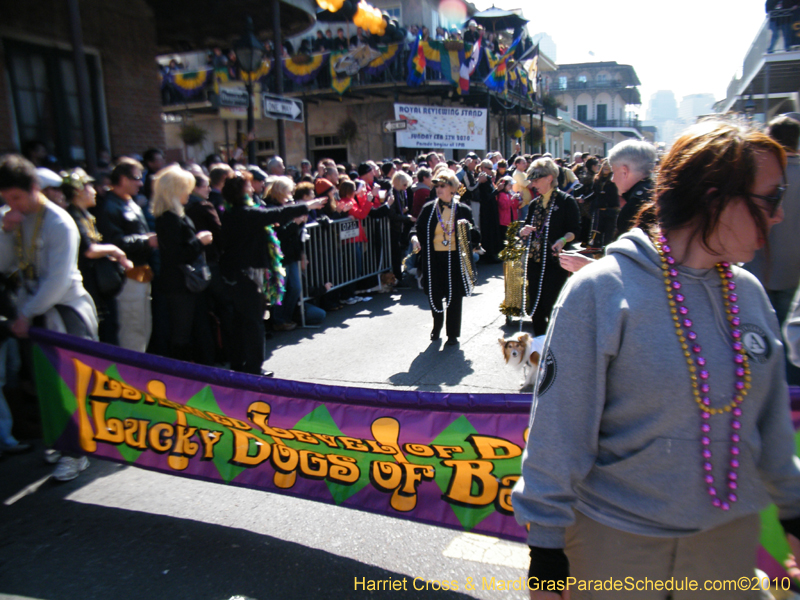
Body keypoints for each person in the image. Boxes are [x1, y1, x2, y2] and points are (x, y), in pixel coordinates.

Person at [512, 118, 800, 600]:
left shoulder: (749, 296)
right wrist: (545, 557)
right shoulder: (601, 290)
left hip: (726, 552)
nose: (779, 216)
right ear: (716, 200)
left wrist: (795, 513)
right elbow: (558, 434)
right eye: (769, 199)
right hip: (615, 549)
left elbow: (770, 426)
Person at [0, 154, 99, 481]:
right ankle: (59, 439)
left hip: (65, 312)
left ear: (33, 188)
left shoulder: (59, 221)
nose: (11, 204)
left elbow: (58, 280)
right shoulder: (12, 219)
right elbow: (4, 266)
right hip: (31, 313)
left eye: (15, 197)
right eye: (5, 199)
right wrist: (5, 231)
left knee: (71, 383)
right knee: (44, 384)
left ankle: (77, 451)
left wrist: (26, 314)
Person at [219, 172, 325, 376]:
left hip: (236, 273)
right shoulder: (244, 213)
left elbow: (268, 219)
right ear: (242, 190)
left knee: (241, 322)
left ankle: (239, 365)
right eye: (248, 186)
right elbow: (273, 213)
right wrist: (308, 205)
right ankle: (253, 368)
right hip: (246, 275)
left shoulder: (232, 213)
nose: (252, 188)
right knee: (252, 322)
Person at [745, 114, 800, 385]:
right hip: (793, 270)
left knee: (759, 334)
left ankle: (763, 383)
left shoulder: (757, 173)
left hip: (757, 264)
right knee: (792, 335)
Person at [62, 168, 133, 346]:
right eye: (89, 187)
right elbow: (89, 250)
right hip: (89, 284)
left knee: (111, 329)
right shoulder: (72, 215)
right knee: (101, 334)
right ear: (78, 191)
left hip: (101, 286)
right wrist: (116, 251)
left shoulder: (87, 215)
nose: (94, 191)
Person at [152, 165, 214, 363]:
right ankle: (182, 376)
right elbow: (177, 254)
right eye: (186, 187)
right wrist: (199, 241)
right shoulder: (168, 218)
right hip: (179, 284)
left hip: (185, 282)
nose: (189, 191)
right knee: (182, 333)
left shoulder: (176, 215)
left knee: (191, 330)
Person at [410, 169, 478, 346]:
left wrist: (468, 229)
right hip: (433, 258)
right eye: (437, 186)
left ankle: (453, 334)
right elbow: (415, 229)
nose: (439, 189)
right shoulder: (429, 208)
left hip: (455, 259)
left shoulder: (463, 209)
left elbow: (476, 235)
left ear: (453, 189)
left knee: (454, 297)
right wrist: (415, 238)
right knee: (434, 294)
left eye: (443, 185)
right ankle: (437, 325)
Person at [97, 158, 157, 353]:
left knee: (143, 328)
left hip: (141, 275)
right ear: (122, 179)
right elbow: (113, 243)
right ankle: (129, 378)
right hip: (126, 278)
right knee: (132, 330)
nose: (140, 183)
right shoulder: (109, 207)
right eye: (136, 178)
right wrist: (145, 241)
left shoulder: (129, 203)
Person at [518, 158, 581, 336]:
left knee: (551, 305)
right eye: (533, 181)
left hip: (554, 264)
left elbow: (575, 230)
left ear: (550, 177)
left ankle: (553, 346)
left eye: (537, 180)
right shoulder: (534, 204)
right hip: (534, 261)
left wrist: (562, 239)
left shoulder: (566, 201)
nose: (534, 184)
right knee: (536, 309)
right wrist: (523, 231)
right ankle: (539, 346)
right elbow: (525, 230)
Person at [610, 140, 657, 237]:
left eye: (614, 172)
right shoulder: (658, 193)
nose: (612, 180)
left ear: (624, 171)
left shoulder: (635, 207)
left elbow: (630, 250)